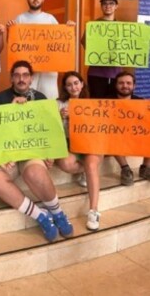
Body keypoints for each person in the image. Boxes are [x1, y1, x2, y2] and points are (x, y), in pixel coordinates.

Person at [0, 60, 75, 242]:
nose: (21, 79)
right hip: (8, 155)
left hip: (31, 153)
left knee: (35, 171)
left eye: (25, 75)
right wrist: (11, 108)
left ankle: (58, 212)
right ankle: (40, 216)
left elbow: (49, 129)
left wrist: (48, 153)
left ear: (31, 78)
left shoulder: (41, 98)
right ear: (11, 78)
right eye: (17, 75)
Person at [6, 0, 75, 100]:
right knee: (27, 100)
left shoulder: (50, 19)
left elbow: (62, 43)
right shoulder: (20, 19)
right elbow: (12, 46)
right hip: (27, 70)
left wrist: (69, 29)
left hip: (49, 71)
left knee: (49, 100)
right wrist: (10, 30)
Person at [57, 71, 104, 230]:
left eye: (76, 83)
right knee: (65, 164)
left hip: (91, 144)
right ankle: (88, 172)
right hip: (71, 144)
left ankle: (94, 210)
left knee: (91, 165)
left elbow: (98, 128)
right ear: (65, 87)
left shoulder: (93, 103)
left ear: (82, 84)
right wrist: (59, 117)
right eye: (69, 84)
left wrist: (76, 117)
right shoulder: (59, 104)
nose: (73, 87)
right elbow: (52, 128)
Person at [109, 72, 150, 183]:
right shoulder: (107, 102)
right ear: (116, 85)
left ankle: (146, 167)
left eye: (128, 83)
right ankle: (125, 169)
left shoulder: (141, 102)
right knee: (111, 133)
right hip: (116, 136)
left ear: (134, 86)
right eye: (121, 83)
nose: (125, 86)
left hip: (135, 135)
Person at [85, 0, 124, 98]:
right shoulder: (92, 26)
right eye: (105, 3)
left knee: (114, 107)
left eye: (111, 3)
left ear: (116, 6)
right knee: (97, 106)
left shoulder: (124, 28)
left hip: (117, 74)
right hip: (96, 74)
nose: (108, 6)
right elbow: (87, 46)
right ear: (101, 6)